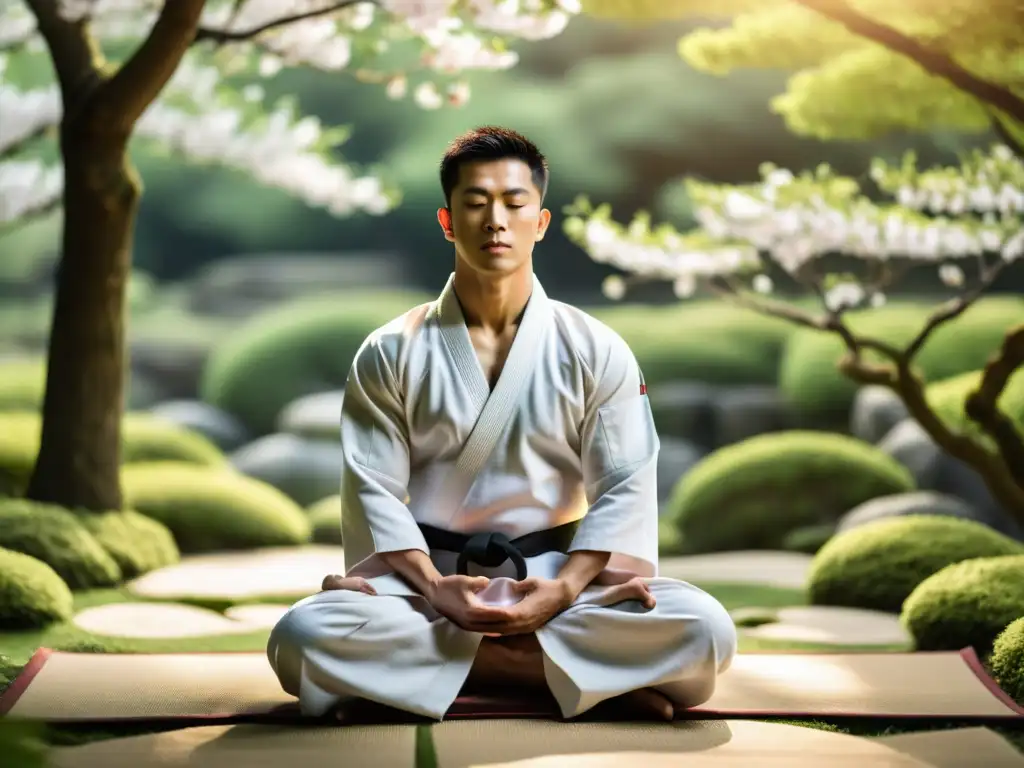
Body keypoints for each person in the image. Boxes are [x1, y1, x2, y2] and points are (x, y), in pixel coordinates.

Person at [266, 126, 737, 723]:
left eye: (515, 204)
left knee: (706, 629)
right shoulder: (389, 350)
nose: (496, 221)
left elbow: (626, 483)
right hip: (427, 587)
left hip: (555, 582)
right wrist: (435, 588)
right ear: (447, 220)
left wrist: (564, 590)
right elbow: (372, 488)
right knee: (301, 635)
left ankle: (430, 678)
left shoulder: (595, 347)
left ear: (539, 222)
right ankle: (548, 677)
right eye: (476, 203)